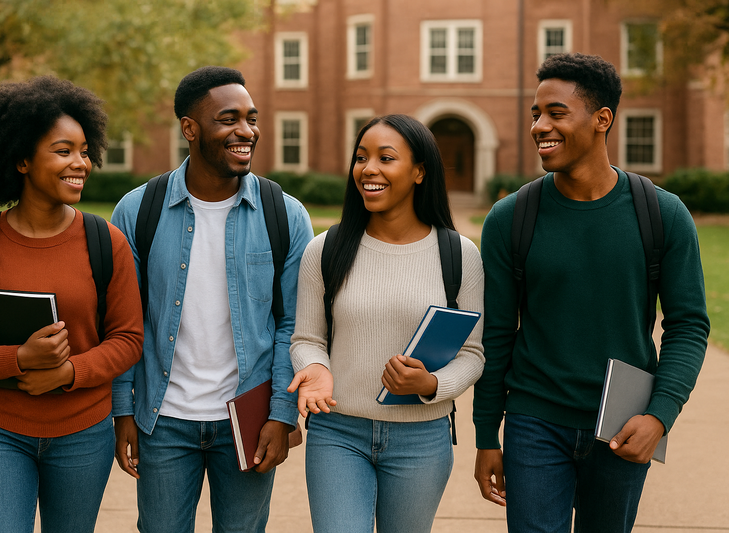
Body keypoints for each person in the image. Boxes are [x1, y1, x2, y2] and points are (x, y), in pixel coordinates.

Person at [473, 53, 711, 532]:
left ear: (602, 119)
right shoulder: (510, 219)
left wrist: (659, 416)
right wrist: (486, 435)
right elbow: (496, 333)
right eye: (536, 115)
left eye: (556, 113)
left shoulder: (662, 214)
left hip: (624, 422)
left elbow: (688, 325)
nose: (540, 126)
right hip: (533, 420)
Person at [0, 76, 144, 533]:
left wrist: (70, 373)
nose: (81, 163)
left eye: (85, 151)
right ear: (23, 160)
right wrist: (18, 359)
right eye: (63, 150)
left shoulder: (106, 242)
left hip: (82, 433)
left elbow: (128, 340)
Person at [110, 65, 313, 533]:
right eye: (229, 119)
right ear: (190, 128)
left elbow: (293, 325)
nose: (247, 131)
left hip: (247, 420)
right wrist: (123, 410)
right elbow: (124, 321)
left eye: (252, 118)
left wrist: (281, 416)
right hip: (163, 421)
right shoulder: (138, 210)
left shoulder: (285, 214)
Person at [288, 114, 485, 533]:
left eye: (386, 158)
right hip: (337, 432)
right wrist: (317, 369)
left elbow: (472, 354)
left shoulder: (459, 254)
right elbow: (306, 338)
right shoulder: (326, 249)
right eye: (361, 158)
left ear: (418, 172)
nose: (368, 169)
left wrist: (432, 385)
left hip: (422, 440)